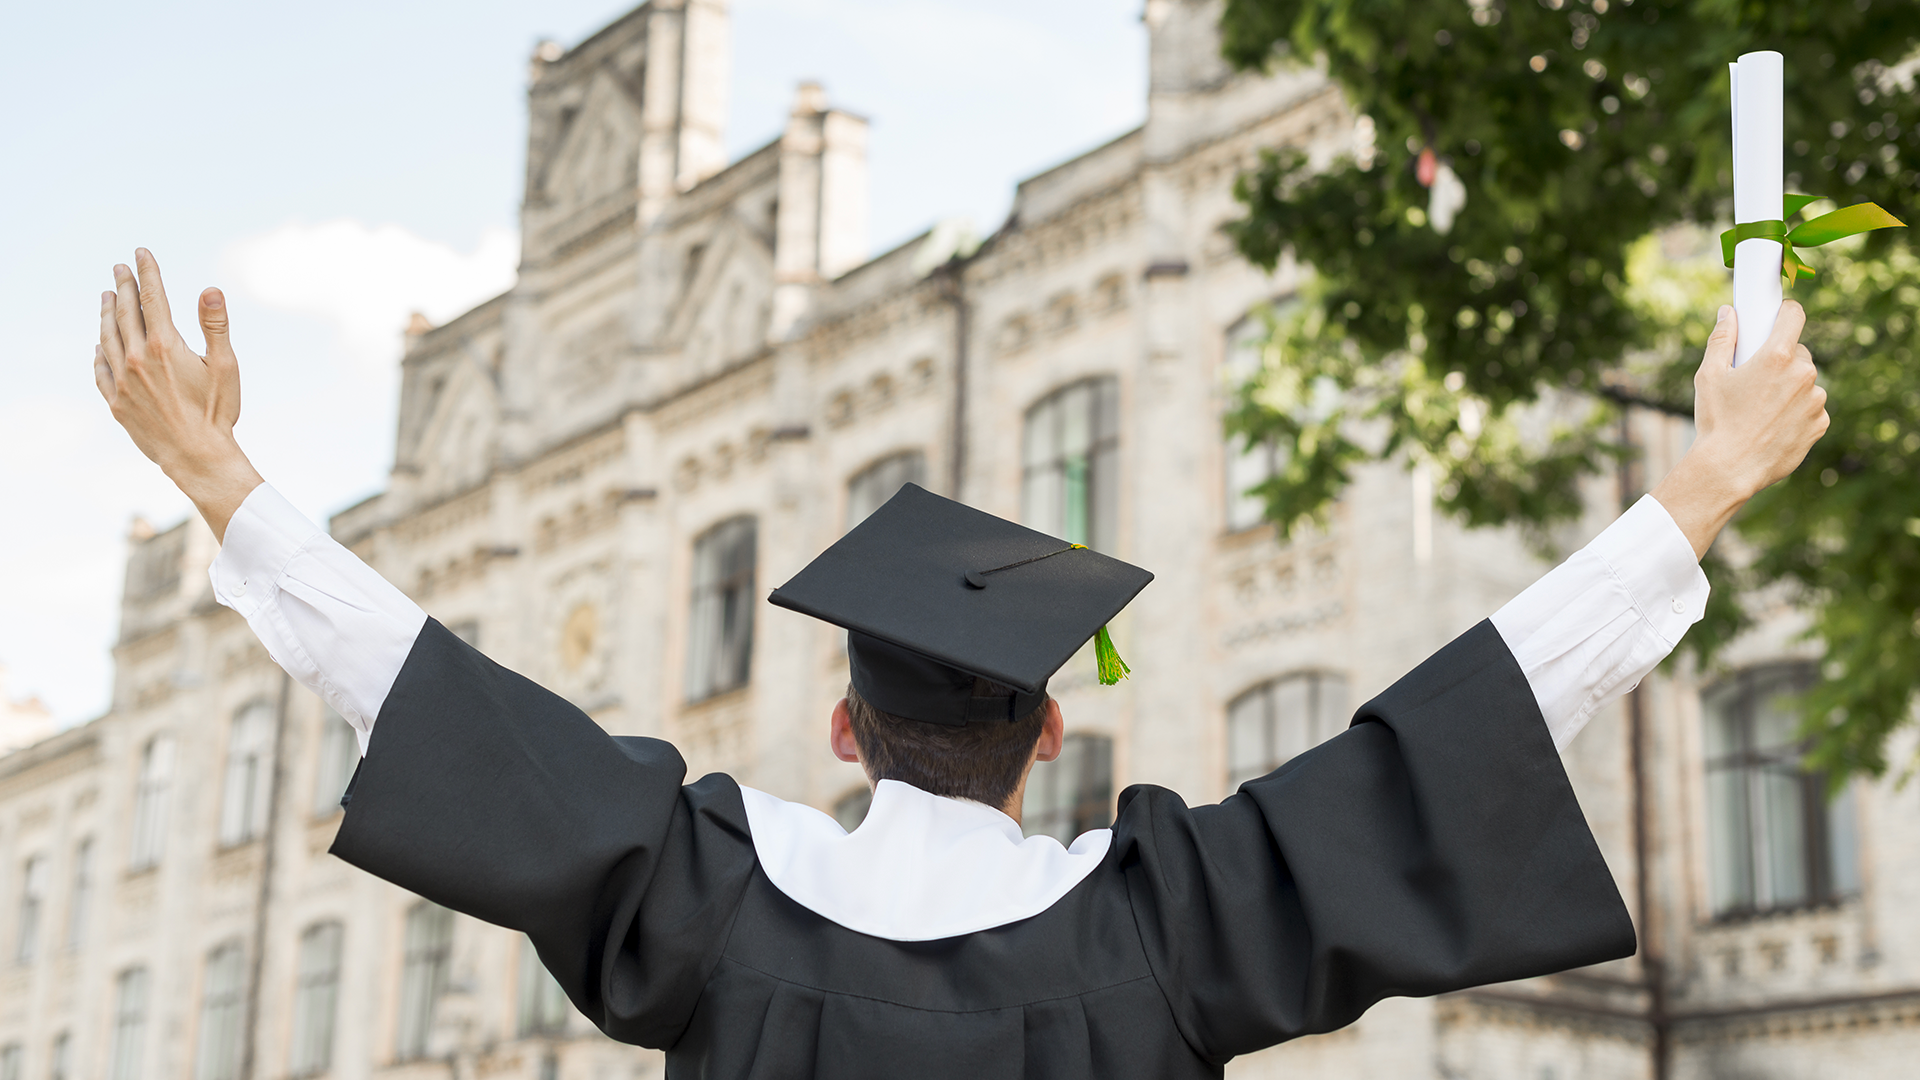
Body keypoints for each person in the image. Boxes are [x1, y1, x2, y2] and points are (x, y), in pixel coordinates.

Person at [92, 250, 1828, 1078]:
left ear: (843, 726)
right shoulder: (1168, 932)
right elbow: (1462, 722)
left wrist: (225, 484)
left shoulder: (701, 906)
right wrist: (1706, 482)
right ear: (1052, 730)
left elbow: (426, 691)